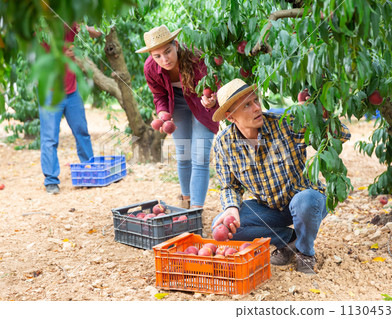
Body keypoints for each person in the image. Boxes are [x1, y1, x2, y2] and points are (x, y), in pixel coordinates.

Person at [211, 79, 351, 274]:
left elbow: (343, 134)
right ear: (231, 117)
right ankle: (291, 239)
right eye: (247, 105)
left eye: (256, 101)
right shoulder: (224, 143)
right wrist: (232, 208)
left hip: (306, 200)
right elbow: (229, 185)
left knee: (305, 201)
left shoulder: (284, 123)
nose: (256, 108)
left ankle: (305, 252)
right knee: (224, 225)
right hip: (270, 209)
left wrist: (318, 113)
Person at [136, 25, 219, 208]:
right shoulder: (150, 67)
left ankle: (195, 212)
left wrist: (212, 100)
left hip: (201, 102)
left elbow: (213, 82)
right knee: (183, 154)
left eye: (168, 52)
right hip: (177, 103)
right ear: (151, 55)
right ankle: (186, 202)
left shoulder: (194, 56)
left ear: (175, 44)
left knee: (200, 156)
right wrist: (163, 113)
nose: (164, 59)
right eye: (157, 56)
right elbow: (159, 96)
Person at [39, 23, 102, 194]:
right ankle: (51, 181)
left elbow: (98, 33)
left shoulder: (68, 23)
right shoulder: (40, 26)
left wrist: (87, 28)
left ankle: (89, 172)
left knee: (82, 131)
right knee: (50, 138)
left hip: (72, 91)